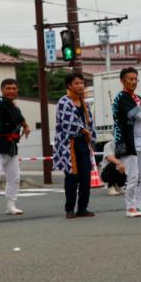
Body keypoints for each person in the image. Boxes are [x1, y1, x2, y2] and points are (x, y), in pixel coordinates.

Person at [0, 77, 30, 217]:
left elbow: (19, 117)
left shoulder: (14, 106)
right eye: (8, 88)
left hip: (10, 144)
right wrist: (23, 124)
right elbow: (10, 117)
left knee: (14, 176)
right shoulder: (0, 103)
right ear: (2, 90)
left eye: (14, 89)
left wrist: (25, 126)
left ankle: (11, 205)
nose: (11, 91)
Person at [54, 72, 96, 219]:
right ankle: (69, 209)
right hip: (69, 144)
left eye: (82, 83)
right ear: (69, 86)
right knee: (72, 177)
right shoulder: (64, 102)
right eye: (76, 83)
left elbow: (90, 122)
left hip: (83, 143)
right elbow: (67, 123)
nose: (80, 86)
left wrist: (90, 135)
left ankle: (82, 208)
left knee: (85, 177)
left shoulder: (84, 103)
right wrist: (83, 130)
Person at [112, 67, 141, 218]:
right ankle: (130, 207)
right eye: (131, 79)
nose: (134, 82)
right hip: (128, 141)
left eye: (136, 79)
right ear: (122, 81)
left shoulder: (139, 98)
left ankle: (139, 204)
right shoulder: (120, 97)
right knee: (132, 175)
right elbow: (132, 113)